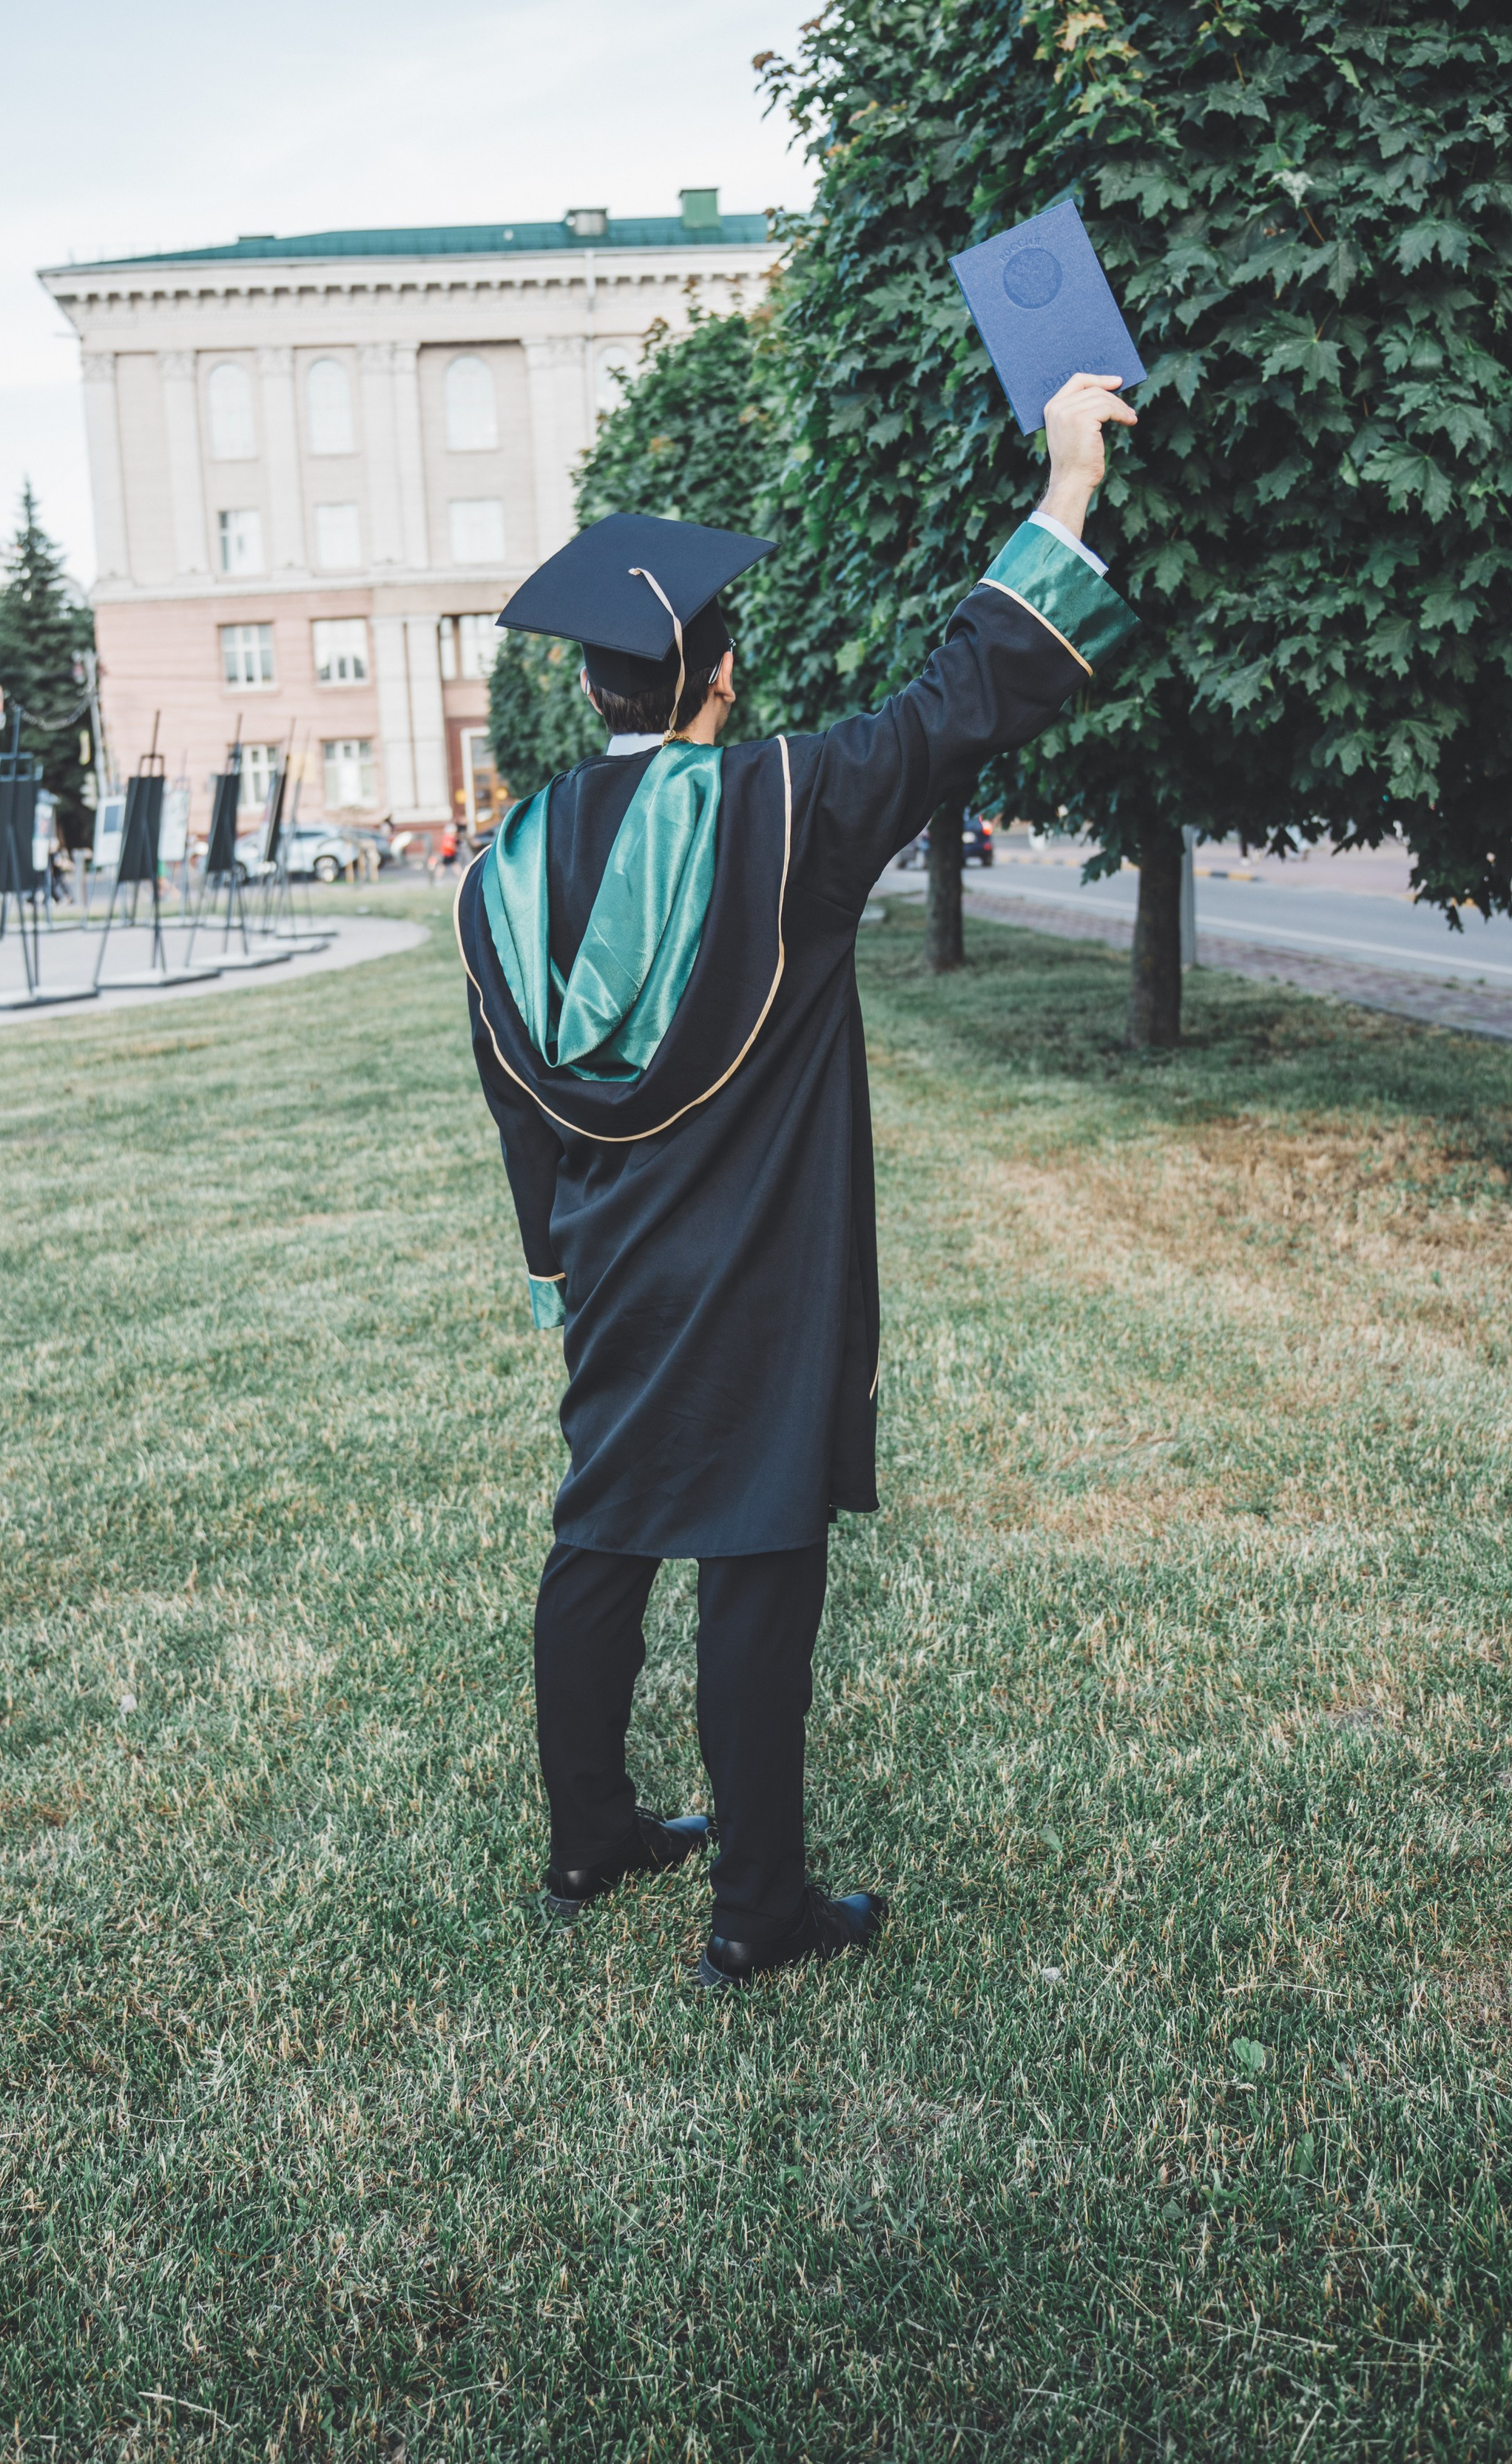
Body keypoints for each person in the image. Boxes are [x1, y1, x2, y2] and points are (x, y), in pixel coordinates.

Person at [459, 373, 1139, 1988]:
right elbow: (961, 697)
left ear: (597, 687)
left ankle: (588, 1836)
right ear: (717, 673)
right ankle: (757, 1908)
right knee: (755, 1550)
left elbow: (512, 1100)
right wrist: (1065, 486)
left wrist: (555, 1258)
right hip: (759, 1261)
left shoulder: (503, 865)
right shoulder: (786, 804)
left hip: (613, 1259)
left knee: (602, 1529)